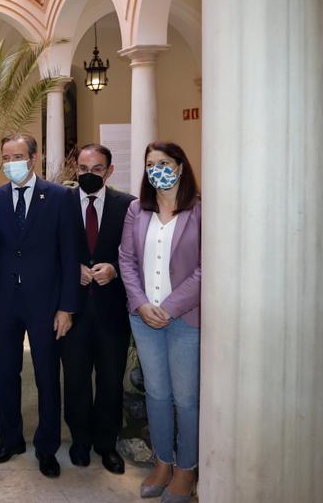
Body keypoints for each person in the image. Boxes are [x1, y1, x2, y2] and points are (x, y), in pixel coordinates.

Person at [0, 133, 80, 479]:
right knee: (6, 373)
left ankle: (46, 447)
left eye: (18, 156)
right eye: (6, 157)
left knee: (47, 377)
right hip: (5, 304)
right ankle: (10, 439)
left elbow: (70, 257)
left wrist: (66, 307)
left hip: (46, 304)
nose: (12, 163)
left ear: (34, 158)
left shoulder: (59, 198)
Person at [118, 141, 202, 503]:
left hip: (184, 320)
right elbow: (126, 259)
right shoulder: (138, 210)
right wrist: (139, 303)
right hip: (143, 319)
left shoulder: (200, 211)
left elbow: (207, 267)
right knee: (156, 394)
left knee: (185, 398)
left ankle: (186, 469)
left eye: (165, 163)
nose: (157, 170)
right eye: (151, 164)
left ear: (181, 167)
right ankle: (163, 462)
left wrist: (169, 306)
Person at [60, 143, 136, 474]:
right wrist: (71, 267)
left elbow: (135, 252)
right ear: (74, 169)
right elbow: (49, 249)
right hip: (72, 309)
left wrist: (115, 269)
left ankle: (106, 444)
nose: (88, 175)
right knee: (75, 379)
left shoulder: (128, 206)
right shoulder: (60, 203)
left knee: (109, 381)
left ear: (110, 170)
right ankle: (80, 441)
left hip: (111, 311)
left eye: (97, 169)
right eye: (83, 169)